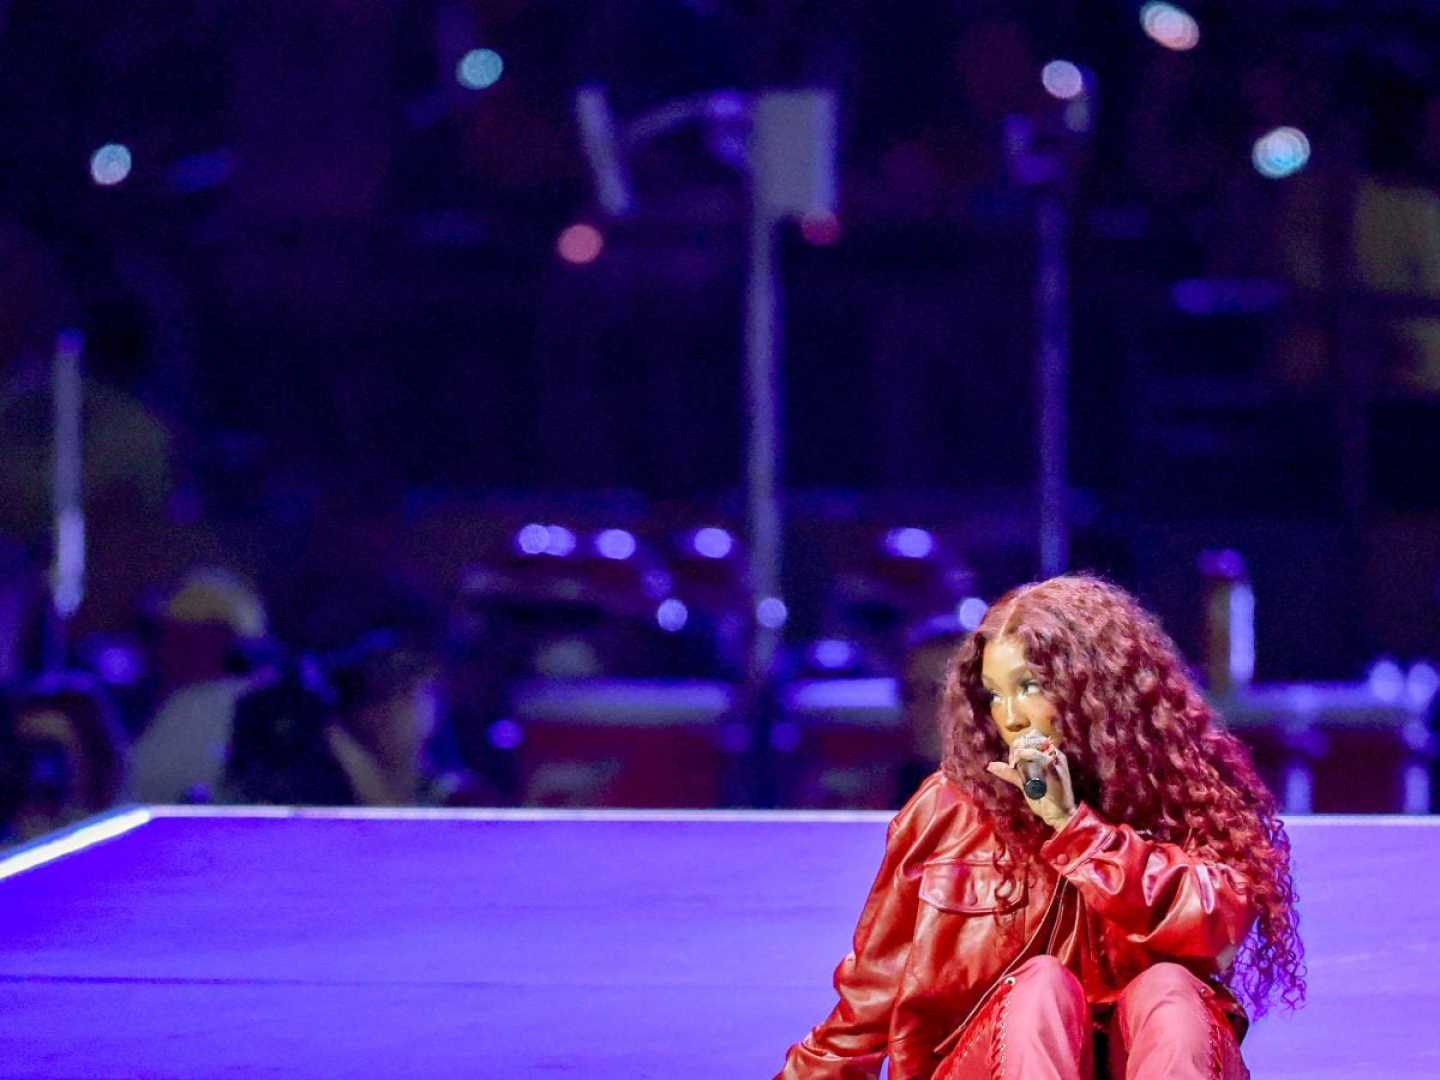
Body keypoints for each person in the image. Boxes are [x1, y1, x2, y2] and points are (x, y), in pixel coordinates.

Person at [777, 575, 1304, 1079]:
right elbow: (864, 1013)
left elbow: (1217, 927)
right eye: (994, 694)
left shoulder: (1182, 795)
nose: (1009, 717)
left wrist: (1074, 829)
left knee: (1170, 992)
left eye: (1028, 686)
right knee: (1039, 990)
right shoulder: (947, 809)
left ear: (1096, 688)